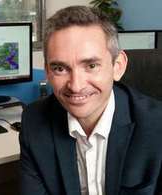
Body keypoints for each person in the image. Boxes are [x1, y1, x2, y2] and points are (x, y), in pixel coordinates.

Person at [19, 5, 162, 195]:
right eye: (60, 68)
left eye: (91, 65)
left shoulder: (157, 126)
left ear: (117, 66)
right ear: (47, 72)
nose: (76, 86)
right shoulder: (34, 120)